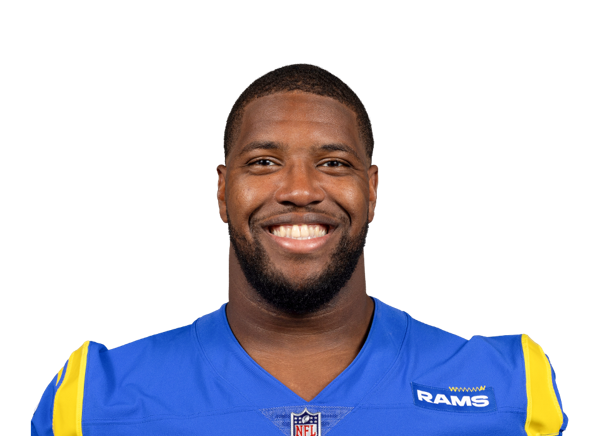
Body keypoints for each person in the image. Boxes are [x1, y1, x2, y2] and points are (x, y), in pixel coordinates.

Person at [31, 63, 568, 435]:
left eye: (333, 163)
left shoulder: (512, 387)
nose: (300, 190)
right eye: (264, 162)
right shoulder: (94, 398)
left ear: (372, 189)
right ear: (222, 190)